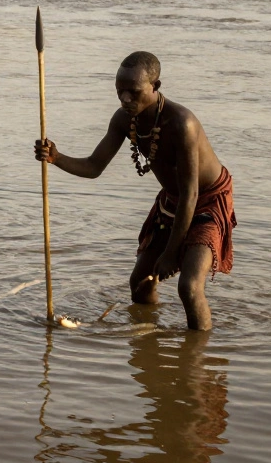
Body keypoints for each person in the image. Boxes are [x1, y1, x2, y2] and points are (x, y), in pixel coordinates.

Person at [34, 52, 236, 330]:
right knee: (139, 283)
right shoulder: (124, 120)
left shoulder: (182, 123)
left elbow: (190, 194)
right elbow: (93, 166)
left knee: (188, 287)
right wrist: (56, 158)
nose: (125, 99)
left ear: (156, 86)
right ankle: (148, 337)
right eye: (120, 91)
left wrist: (171, 253)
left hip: (206, 202)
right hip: (172, 201)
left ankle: (197, 353)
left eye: (134, 92)